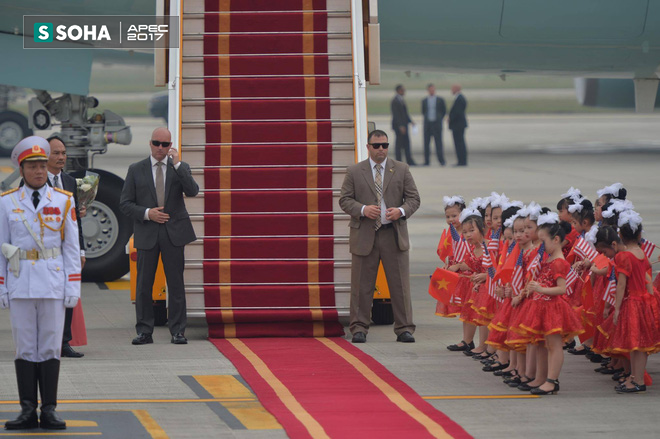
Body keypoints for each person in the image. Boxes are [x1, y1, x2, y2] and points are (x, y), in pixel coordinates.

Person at [0, 136, 81, 430]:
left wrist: (73, 287)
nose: (38, 171)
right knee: (24, 348)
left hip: (52, 282)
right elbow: (1, 246)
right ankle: (26, 410)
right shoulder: (7, 203)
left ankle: (48, 410)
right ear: (21, 170)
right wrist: (1, 285)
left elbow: (71, 248)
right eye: (31, 166)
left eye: (41, 165)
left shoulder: (63, 200)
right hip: (20, 283)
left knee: (49, 347)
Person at [339, 129, 420, 343]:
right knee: (361, 286)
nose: (381, 149)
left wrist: (400, 212)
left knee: (399, 285)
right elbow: (344, 200)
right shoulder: (355, 171)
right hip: (365, 234)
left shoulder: (401, 169)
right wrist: (363, 209)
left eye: (385, 145)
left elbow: (413, 199)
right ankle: (359, 328)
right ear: (368, 147)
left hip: (392, 234)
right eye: (377, 146)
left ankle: (404, 328)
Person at [120, 127, 199, 345]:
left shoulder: (178, 168)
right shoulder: (136, 169)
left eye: (165, 145)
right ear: (150, 143)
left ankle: (178, 331)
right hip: (147, 232)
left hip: (174, 233)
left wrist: (179, 164)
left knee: (175, 284)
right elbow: (125, 203)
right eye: (157, 143)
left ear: (170, 145)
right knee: (144, 284)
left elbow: (193, 191)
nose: (161, 149)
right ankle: (145, 331)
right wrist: (148, 214)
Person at [46, 136, 86, 358]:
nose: (61, 157)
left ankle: (64, 343)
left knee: (68, 295)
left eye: (63, 153)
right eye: (56, 153)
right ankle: (46, 342)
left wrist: (80, 250)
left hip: (67, 251)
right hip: (45, 251)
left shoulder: (70, 181)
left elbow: (76, 221)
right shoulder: (34, 180)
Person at [390, 85, 416, 166]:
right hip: (399, 126)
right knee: (399, 144)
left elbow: (405, 113)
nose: (404, 91)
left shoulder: (401, 100)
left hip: (404, 125)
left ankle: (409, 160)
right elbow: (396, 115)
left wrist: (411, 121)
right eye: (402, 90)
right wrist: (401, 126)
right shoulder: (395, 101)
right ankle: (399, 161)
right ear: (398, 91)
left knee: (406, 143)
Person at [421, 84, 446, 166]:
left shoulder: (440, 100)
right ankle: (426, 161)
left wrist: (439, 119)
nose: (431, 91)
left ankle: (441, 160)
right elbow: (423, 111)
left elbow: (443, 111)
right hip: (428, 125)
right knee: (426, 144)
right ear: (428, 90)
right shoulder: (424, 100)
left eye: (433, 90)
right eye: (430, 90)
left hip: (436, 124)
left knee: (438, 143)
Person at [448, 84, 468, 167]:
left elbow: (458, 112)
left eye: (452, 89)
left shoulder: (460, 98)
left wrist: (450, 118)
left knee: (459, 143)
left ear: (457, 89)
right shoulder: (459, 98)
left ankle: (462, 161)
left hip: (458, 125)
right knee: (459, 143)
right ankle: (461, 160)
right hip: (458, 124)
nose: (451, 90)